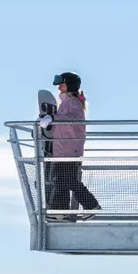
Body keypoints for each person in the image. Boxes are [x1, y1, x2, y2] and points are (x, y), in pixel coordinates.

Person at [43, 71, 100, 219]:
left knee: (68, 180)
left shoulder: (73, 103)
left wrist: (52, 117)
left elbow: (73, 119)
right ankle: (60, 213)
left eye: (62, 83)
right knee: (61, 181)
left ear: (70, 84)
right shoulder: (65, 102)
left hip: (69, 149)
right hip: (62, 148)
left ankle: (91, 206)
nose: (59, 86)